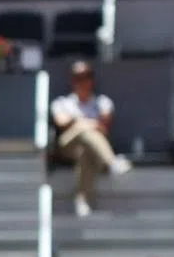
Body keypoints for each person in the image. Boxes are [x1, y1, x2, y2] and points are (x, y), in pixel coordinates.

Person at [50, 60, 132, 218]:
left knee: (84, 151)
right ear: (72, 80)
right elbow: (61, 122)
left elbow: (105, 122)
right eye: (77, 77)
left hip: (89, 148)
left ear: (91, 79)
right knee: (85, 131)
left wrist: (79, 122)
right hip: (67, 144)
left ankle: (81, 200)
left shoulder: (102, 102)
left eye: (86, 76)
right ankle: (111, 162)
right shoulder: (62, 103)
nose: (82, 81)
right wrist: (87, 123)